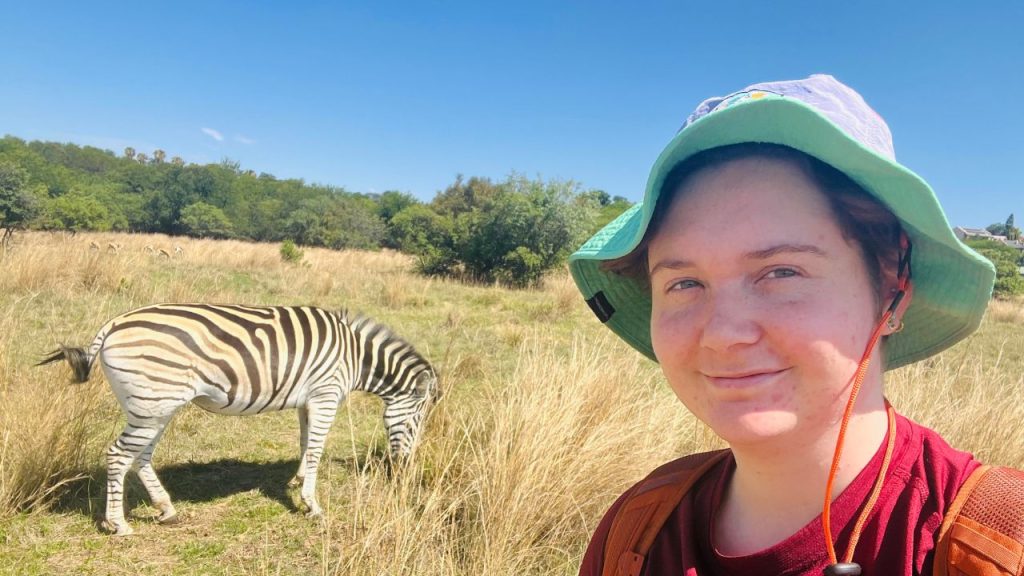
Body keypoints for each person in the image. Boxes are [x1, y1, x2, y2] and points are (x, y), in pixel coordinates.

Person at [569, 74, 1021, 575]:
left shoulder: (997, 547)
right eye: (684, 283)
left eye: (782, 272)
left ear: (893, 290)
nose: (722, 334)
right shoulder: (638, 530)